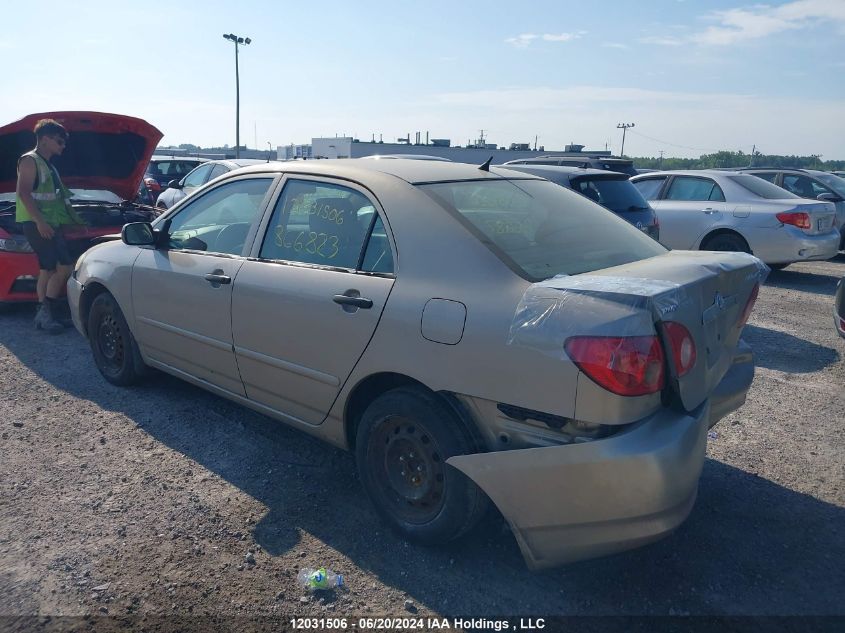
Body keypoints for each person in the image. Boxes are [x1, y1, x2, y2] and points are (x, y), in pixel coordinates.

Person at [15, 119, 84, 333]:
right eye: (59, 141)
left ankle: (44, 315)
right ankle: (46, 313)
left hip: (48, 223)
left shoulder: (48, 165)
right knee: (63, 267)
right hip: (38, 224)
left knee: (47, 269)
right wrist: (40, 222)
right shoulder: (30, 160)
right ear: (45, 140)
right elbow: (23, 193)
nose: (63, 146)